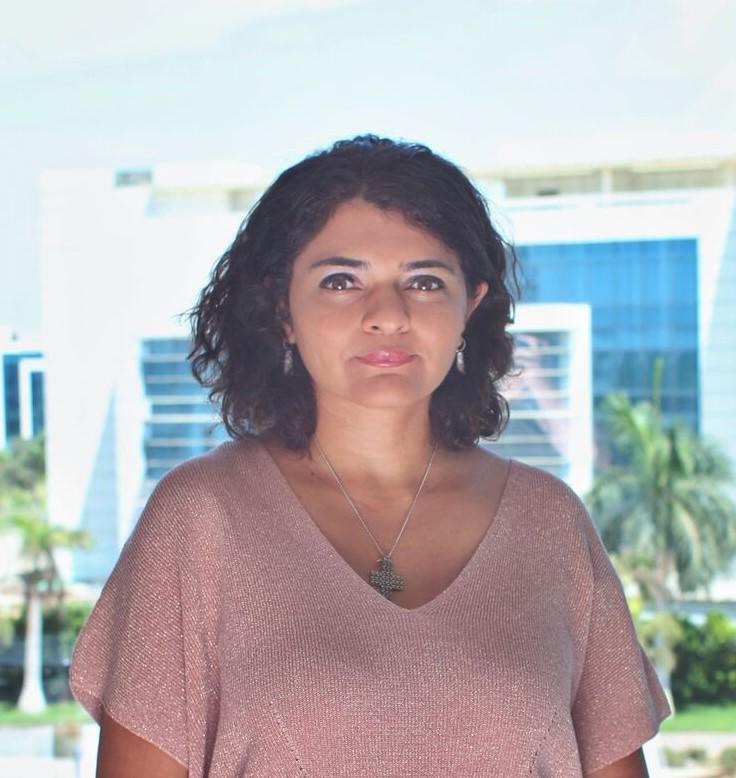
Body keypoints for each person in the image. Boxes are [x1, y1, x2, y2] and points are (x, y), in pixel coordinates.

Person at [69, 134, 671, 777]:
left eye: (424, 281)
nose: (387, 315)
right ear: (282, 308)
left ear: (470, 304)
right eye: (341, 281)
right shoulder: (198, 518)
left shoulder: (551, 523)